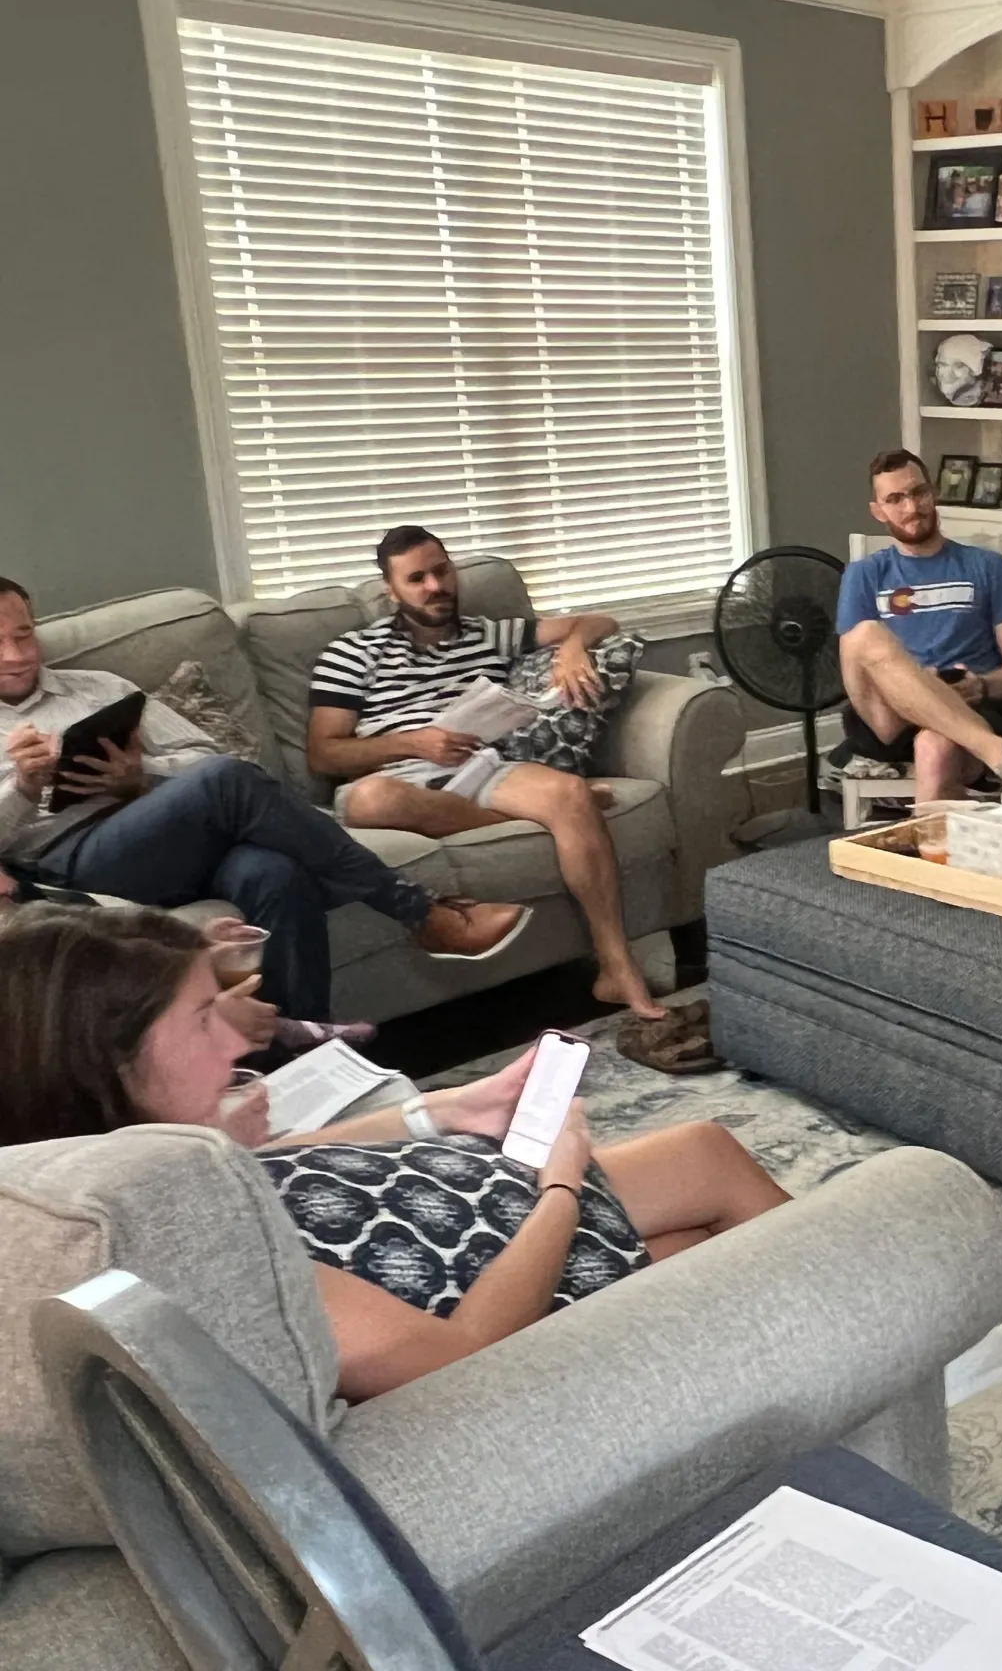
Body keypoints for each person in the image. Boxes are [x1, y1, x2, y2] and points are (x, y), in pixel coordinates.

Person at [0, 905, 792, 1402]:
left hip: (451, 1219)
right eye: (205, 1019)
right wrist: (562, 1186)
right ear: (109, 1059)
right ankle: (857, 1308)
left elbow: (269, 1166)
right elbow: (461, 1355)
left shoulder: (124, 1163)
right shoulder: (185, 1241)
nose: (236, 1039)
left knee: (703, 1206)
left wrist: (444, 1110)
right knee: (708, 1170)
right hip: (496, 1261)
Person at [0, 574, 525, 1026]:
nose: (17, 655)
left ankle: (302, 1060)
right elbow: (222, 776)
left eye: (25, 635)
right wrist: (23, 789)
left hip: (168, 831)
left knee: (274, 873)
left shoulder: (99, 687)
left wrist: (140, 777)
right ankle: (420, 911)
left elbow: (203, 753)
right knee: (228, 782)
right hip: (74, 860)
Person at [306, 527, 661, 1020]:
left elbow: (599, 620)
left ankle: (616, 967)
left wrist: (572, 650)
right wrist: (416, 741)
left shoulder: (490, 633)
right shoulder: (351, 653)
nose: (435, 586)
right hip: (399, 777)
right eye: (417, 579)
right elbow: (323, 755)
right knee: (369, 801)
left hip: (481, 766)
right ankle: (558, 818)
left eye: (441, 571)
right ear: (391, 590)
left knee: (566, 794)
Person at [836, 449, 1002, 801]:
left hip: (970, 705)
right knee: (867, 634)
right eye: (895, 499)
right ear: (878, 511)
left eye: (918, 493)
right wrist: (917, 683)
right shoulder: (864, 574)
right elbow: (854, 666)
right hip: (888, 714)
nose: (911, 508)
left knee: (936, 747)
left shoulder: (987, 566)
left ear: (934, 492)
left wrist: (982, 686)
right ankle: (999, 753)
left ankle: (929, 853)